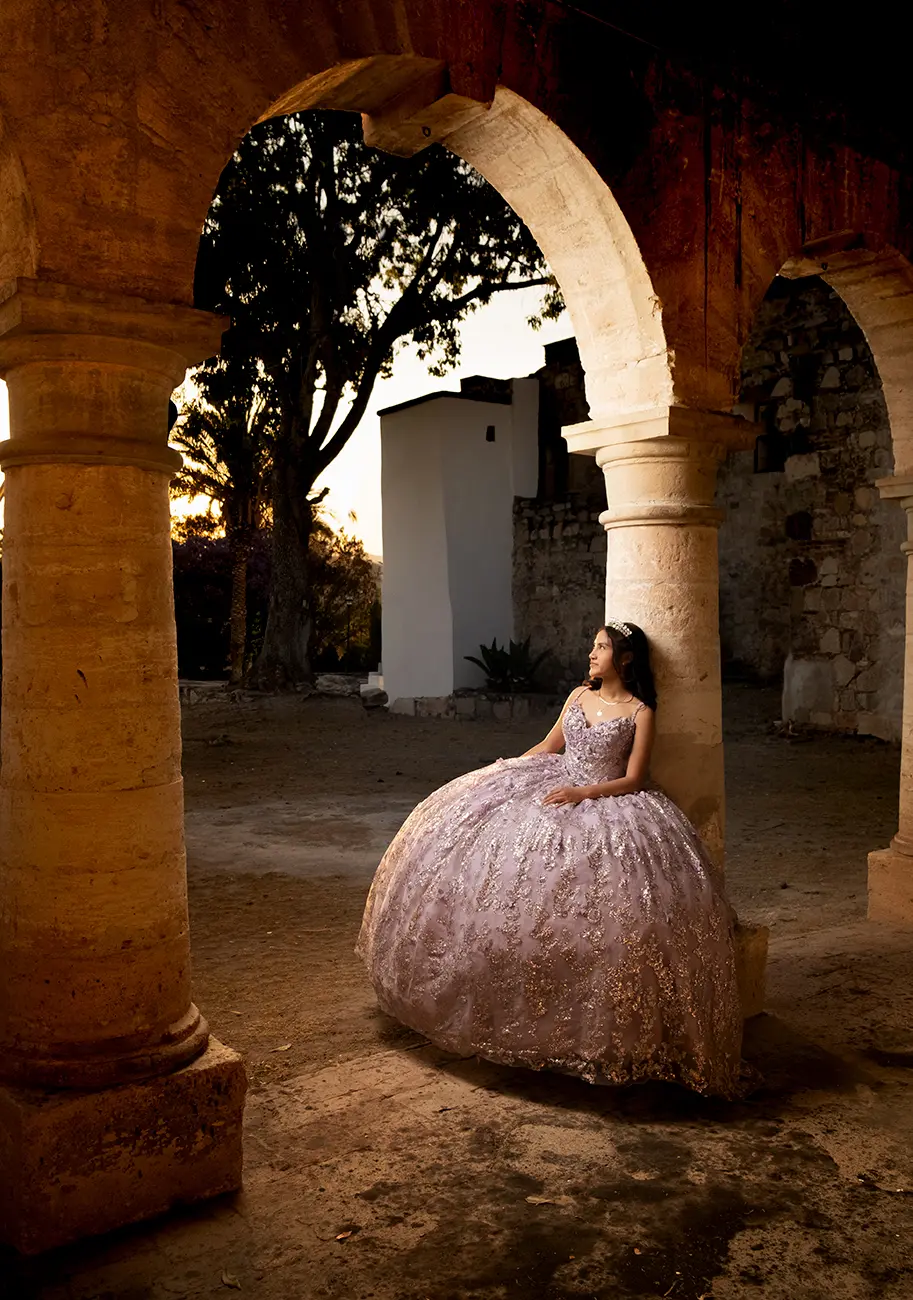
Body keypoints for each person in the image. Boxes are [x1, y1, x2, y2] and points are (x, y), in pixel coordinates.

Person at [356, 620, 743, 1097]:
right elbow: (549, 745)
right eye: (593, 646)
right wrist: (506, 771)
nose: (591, 654)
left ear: (624, 659)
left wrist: (584, 792)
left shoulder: (641, 712)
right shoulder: (577, 696)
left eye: (601, 648)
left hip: (607, 800)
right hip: (555, 781)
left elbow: (635, 779)